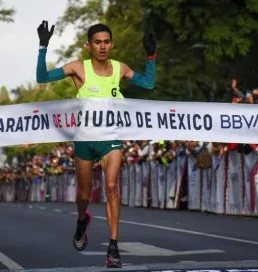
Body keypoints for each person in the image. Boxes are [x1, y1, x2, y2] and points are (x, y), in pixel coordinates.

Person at [36, 20, 156, 268]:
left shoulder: (119, 68)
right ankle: (82, 221)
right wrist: (43, 47)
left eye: (106, 42)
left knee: (112, 186)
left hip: (111, 138)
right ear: (89, 45)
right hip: (85, 140)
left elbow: (148, 83)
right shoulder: (78, 68)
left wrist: (151, 56)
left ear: (112, 45)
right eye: (97, 42)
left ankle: (113, 247)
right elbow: (42, 77)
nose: (102, 47)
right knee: (84, 193)